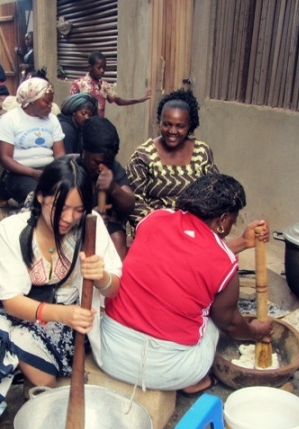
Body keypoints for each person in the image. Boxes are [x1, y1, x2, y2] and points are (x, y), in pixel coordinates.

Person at [0, 155, 122, 429]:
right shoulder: (12, 230)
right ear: (40, 196)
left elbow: (114, 289)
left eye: (78, 210)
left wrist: (101, 276)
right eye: (60, 207)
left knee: (34, 364)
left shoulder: (92, 227)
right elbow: (11, 301)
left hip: (70, 328)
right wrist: (60, 314)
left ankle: (40, 405)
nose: (69, 218)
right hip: (26, 312)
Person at [100, 172, 272, 395]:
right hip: (168, 372)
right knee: (214, 315)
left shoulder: (153, 219)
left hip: (109, 354)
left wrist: (243, 242)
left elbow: (187, 254)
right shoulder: (224, 262)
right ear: (223, 220)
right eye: (233, 219)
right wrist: (255, 332)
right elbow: (230, 323)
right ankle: (193, 382)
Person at [127, 88, 218, 229]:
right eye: (167, 124)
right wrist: (166, 226)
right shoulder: (143, 156)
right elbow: (135, 203)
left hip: (193, 227)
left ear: (189, 126)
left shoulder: (201, 152)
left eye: (180, 126)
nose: (172, 131)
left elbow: (214, 192)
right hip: (156, 227)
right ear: (160, 122)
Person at [0, 77, 65, 208]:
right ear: (32, 101)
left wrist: (58, 173)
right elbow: (5, 158)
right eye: (47, 101)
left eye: (51, 101)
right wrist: (32, 172)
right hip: (19, 173)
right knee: (37, 198)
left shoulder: (53, 120)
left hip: (47, 171)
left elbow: (59, 154)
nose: (51, 105)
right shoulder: (10, 120)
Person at [80, 116, 134, 259]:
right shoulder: (71, 167)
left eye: (107, 162)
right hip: (73, 225)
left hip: (105, 227)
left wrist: (114, 188)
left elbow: (130, 205)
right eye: (96, 162)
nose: (101, 167)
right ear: (84, 151)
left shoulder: (113, 168)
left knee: (117, 237)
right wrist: (89, 215)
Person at [69, 51, 150, 117]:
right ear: (90, 67)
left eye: (104, 67)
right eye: (99, 67)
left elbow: (119, 101)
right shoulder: (78, 84)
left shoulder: (105, 86)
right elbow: (71, 108)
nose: (102, 70)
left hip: (99, 127)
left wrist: (140, 100)